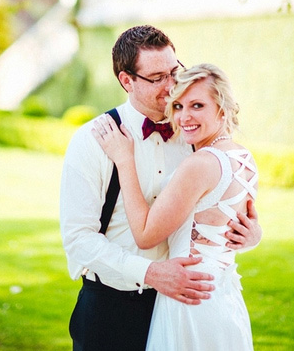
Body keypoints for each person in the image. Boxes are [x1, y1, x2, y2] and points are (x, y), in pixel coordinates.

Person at [60, 26, 261, 351]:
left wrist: (251, 234)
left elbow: (219, 205)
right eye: (157, 77)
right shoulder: (94, 139)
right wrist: (150, 272)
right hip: (113, 309)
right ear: (127, 81)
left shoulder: (195, 133)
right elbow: (78, 239)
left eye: (174, 71)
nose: (172, 86)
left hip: (184, 304)